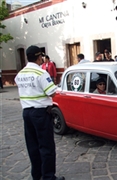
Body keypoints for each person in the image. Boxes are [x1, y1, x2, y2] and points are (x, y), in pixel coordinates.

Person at [14, 45, 65, 180]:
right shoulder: (41, 73)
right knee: (46, 146)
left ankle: (37, 175)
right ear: (39, 57)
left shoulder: (20, 74)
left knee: (33, 146)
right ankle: (48, 177)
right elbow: (52, 92)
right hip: (40, 114)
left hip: (27, 114)